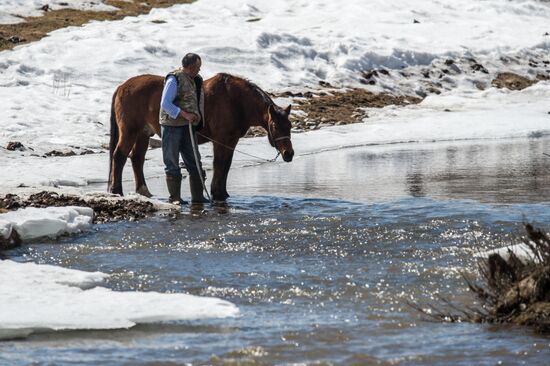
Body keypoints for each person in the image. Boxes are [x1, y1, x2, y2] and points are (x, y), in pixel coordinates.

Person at [159, 53, 207, 204]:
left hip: (188, 127)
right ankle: (175, 198)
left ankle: (198, 199)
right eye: (198, 67)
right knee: (172, 162)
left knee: (195, 162)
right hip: (171, 126)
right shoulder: (174, 79)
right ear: (191, 67)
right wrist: (184, 114)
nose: (199, 70)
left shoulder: (195, 79)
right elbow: (165, 103)